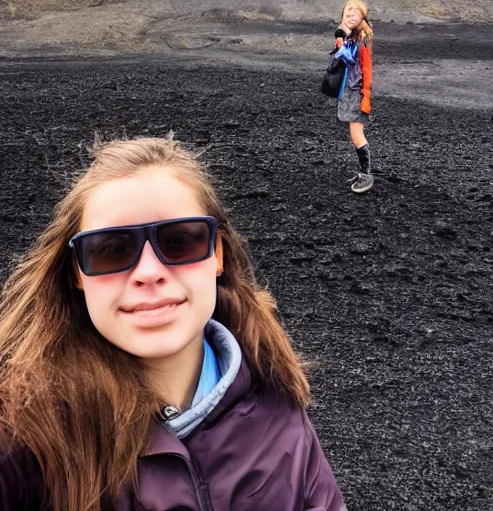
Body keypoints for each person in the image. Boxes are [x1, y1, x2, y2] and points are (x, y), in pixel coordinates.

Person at [0, 135, 346, 511]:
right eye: (112, 249)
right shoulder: (24, 433)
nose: (149, 272)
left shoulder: (278, 401)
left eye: (179, 241)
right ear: (77, 274)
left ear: (218, 254)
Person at [332, 0, 374, 193]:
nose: (351, 15)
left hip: (357, 93)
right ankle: (363, 171)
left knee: (357, 134)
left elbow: (366, 68)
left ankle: (366, 175)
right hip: (349, 91)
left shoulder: (361, 41)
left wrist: (366, 96)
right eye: (348, 12)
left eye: (356, 13)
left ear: (362, 19)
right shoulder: (346, 38)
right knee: (353, 132)